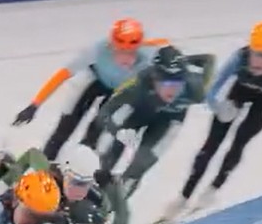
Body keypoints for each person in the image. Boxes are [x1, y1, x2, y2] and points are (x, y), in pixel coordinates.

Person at [158, 21, 262, 223]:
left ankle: (213, 189)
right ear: (249, 50)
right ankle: (183, 197)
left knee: (240, 140)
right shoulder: (239, 58)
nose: (259, 62)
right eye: (256, 53)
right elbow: (213, 88)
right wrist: (217, 106)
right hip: (239, 92)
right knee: (211, 145)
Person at [10, 18, 167, 160]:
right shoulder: (97, 50)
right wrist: (35, 104)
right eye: (120, 51)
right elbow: (62, 75)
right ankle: (46, 164)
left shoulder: (149, 54)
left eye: (132, 52)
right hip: (93, 81)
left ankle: (81, 167)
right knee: (65, 127)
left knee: (96, 133)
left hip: (118, 91)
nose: (126, 58)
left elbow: (168, 53)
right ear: (111, 46)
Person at [87, 45, 215, 199]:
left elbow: (209, 59)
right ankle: (92, 189)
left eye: (177, 85)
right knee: (110, 154)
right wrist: (117, 131)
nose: (172, 91)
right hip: (139, 112)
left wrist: (184, 61)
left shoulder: (195, 90)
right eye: (166, 84)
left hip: (168, 121)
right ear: (154, 79)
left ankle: (118, 200)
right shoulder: (139, 83)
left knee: (140, 164)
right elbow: (105, 113)